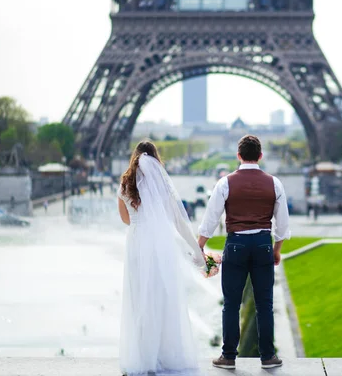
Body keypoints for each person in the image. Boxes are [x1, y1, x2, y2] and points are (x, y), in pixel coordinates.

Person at [198, 135, 290, 370]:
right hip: (262, 244)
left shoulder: (225, 183)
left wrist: (199, 245)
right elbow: (282, 224)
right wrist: (276, 250)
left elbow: (210, 219)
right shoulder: (275, 183)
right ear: (260, 156)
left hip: (236, 244)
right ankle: (268, 356)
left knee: (231, 304)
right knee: (265, 304)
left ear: (238, 156)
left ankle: (228, 356)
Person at [116, 140, 205, 376]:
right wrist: (197, 250)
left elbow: (125, 219)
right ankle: (162, 354)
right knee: (161, 298)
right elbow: (178, 222)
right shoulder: (162, 185)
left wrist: (140, 217)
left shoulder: (125, 183)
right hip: (159, 246)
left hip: (136, 243)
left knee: (139, 300)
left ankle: (142, 356)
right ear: (156, 160)